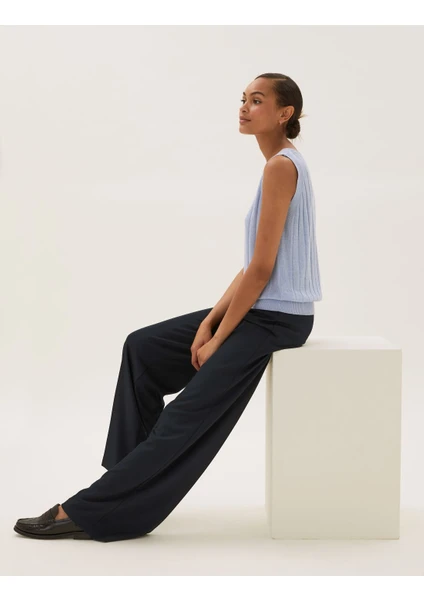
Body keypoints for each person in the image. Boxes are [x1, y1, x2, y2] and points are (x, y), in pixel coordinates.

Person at [14, 72, 322, 542]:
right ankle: (124, 486)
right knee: (143, 349)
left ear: (285, 114)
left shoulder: (281, 167)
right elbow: (251, 267)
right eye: (243, 98)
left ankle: (89, 509)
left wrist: (219, 338)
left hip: (279, 320)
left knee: (182, 418)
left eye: (257, 100)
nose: (244, 107)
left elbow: (263, 271)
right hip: (262, 311)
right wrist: (210, 321)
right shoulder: (277, 165)